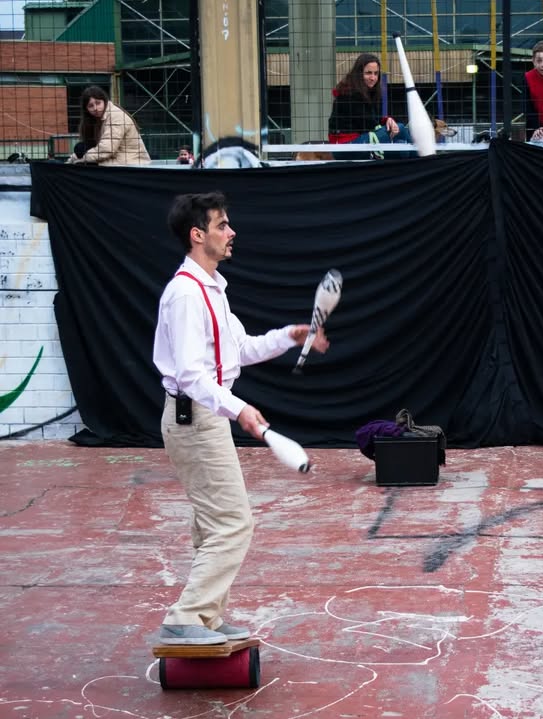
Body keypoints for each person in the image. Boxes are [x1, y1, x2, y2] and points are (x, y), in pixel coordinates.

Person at [152, 192, 329, 645]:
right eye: (222, 225)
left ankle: (206, 617)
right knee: (233, 523)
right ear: (198, 236)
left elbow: (240, 350)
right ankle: (187, 616)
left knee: (213, 525)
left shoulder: (212, 288)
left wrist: (289, 336)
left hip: (203, 418)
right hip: (194, 420)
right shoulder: (186, 294)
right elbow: (192, 374)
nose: (232, 233)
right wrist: (240, 409)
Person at [328, 53, 410, 158]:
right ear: (359, 73)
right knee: (401, 128)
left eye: (376, 73)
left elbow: (372, 120)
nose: (373, 78)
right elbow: (369, 124)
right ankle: (425, 159)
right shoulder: (349, 94)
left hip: (360, 141)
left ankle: (420, 163)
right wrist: (388, 125)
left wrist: (387, 121)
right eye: (368, 73)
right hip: (345, 146)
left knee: (401, 146)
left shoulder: (368, 92)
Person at [68, 86, 151, 166]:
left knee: (83, 163)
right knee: (80, 148)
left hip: (132, 163)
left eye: (98, 103)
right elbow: (92, 146)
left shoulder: (115, 115)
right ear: (86, 109)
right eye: (91, 106)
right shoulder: (96, 119)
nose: (95, 108)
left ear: (104, 101)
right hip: (115, 161)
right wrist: (71, 160)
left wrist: (83, 159)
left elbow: (107, 149)